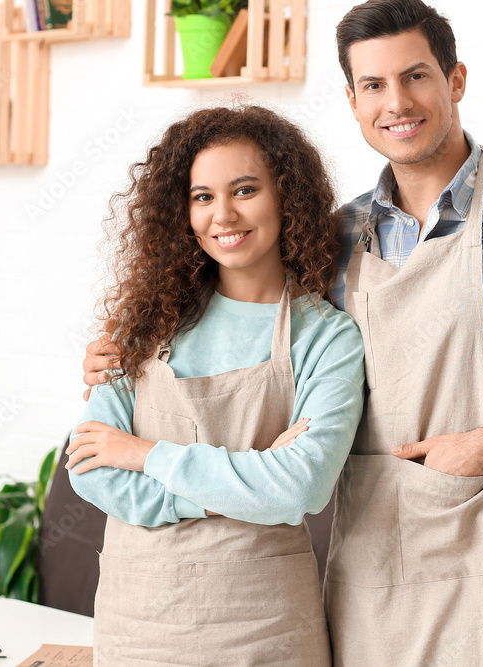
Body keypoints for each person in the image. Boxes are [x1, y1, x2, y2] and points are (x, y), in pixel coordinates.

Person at [83, 1, 483, 664]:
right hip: (365, 580)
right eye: (373, 85)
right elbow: (234, 311)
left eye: (416, 76)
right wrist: (119, 350)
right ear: (353, 100)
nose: (397, 101)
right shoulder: (335, 237)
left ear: (455, 81)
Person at [66, 105, 365, 666]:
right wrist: (239, 490)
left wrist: (144, 453)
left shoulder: (328, 338)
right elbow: (92, 469)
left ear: (286, 196)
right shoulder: (142, 325)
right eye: (202, 196)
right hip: (141, 626)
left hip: (265, 627)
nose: (223, 214)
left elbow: (300, 489)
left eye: (245, 190)